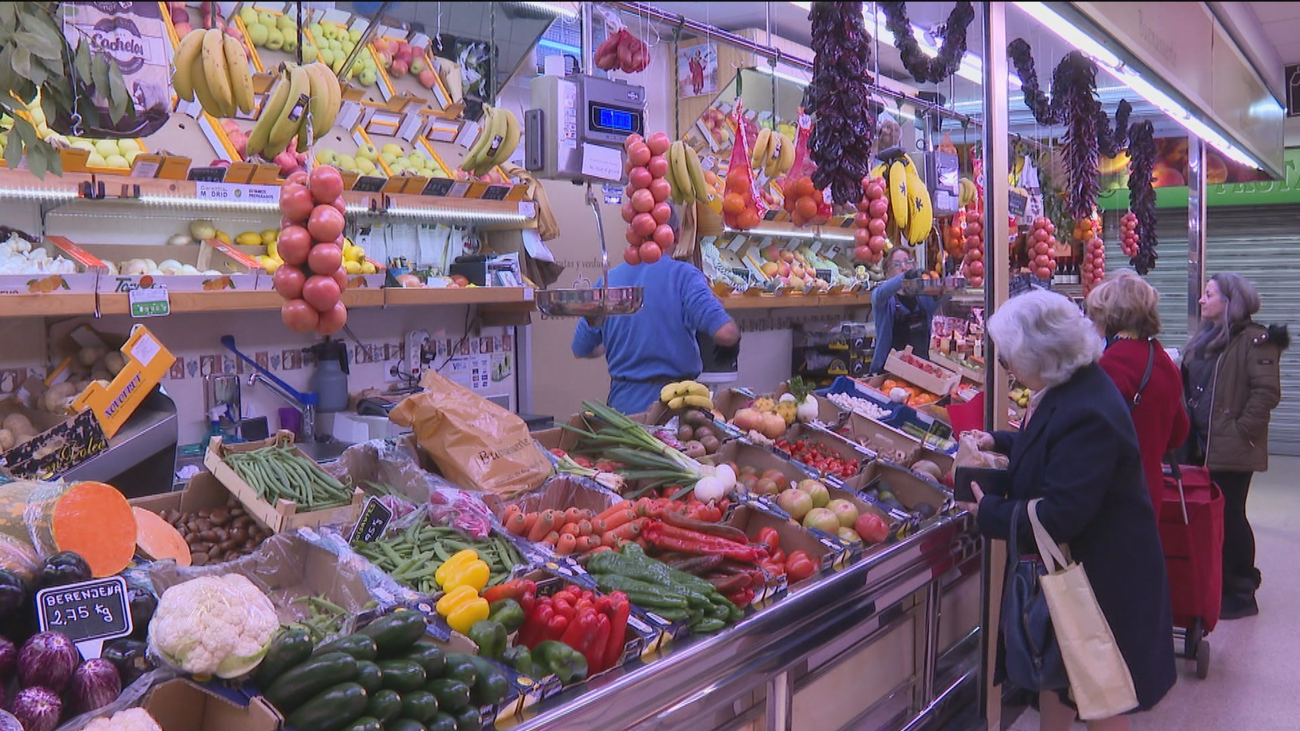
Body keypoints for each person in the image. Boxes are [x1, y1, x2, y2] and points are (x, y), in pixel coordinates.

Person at [955, 290, 1174, 731]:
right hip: (1080, 571)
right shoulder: (1074, 389)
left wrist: (992, 513)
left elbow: (1062, 512)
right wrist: (1001, 441)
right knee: (1060, 681)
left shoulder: (1087, 408)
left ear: (1041, 353)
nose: (1007, 368)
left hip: (1104, 579)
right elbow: (1054, 450)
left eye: (1010, 358)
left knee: (1101, 691)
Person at [1181, 273, 1289, 619]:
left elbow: (1267, 393)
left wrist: (1241, 430)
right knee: (1211, 517)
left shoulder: (1256, 341)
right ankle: (1215, 584)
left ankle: (1241, 591)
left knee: (1231, 515)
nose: (1202, 300)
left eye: (1209, 294)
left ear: (1230, 301)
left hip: (1231, 446)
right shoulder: (1206, 338)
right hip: (1201, 444)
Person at [572, 204, 740, 415]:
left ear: (634, 235)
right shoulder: (684, 276)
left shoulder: (608, 281)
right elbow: (725, 333)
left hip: (622, 410)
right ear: (677, 235)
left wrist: (621, 340)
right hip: (673, 409)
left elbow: (581, 348)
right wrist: (731, 329)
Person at [1085, 270, 1189, 509]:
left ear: (1110, 316)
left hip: (1111, 493)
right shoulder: (1160, 358)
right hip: (1148, 489)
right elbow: (1179, 433)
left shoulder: (1112, 363)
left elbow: (1090, 432)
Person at [870, 247, 944, 372]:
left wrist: (947, 273)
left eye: (908, 262)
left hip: (921, 371)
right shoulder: (883, 300)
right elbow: (880, 293)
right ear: (887, 272)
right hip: (889, 374)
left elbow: (948, 294)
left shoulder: (924, 299)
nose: (904, 267)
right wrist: (905, 277)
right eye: (897, 264)